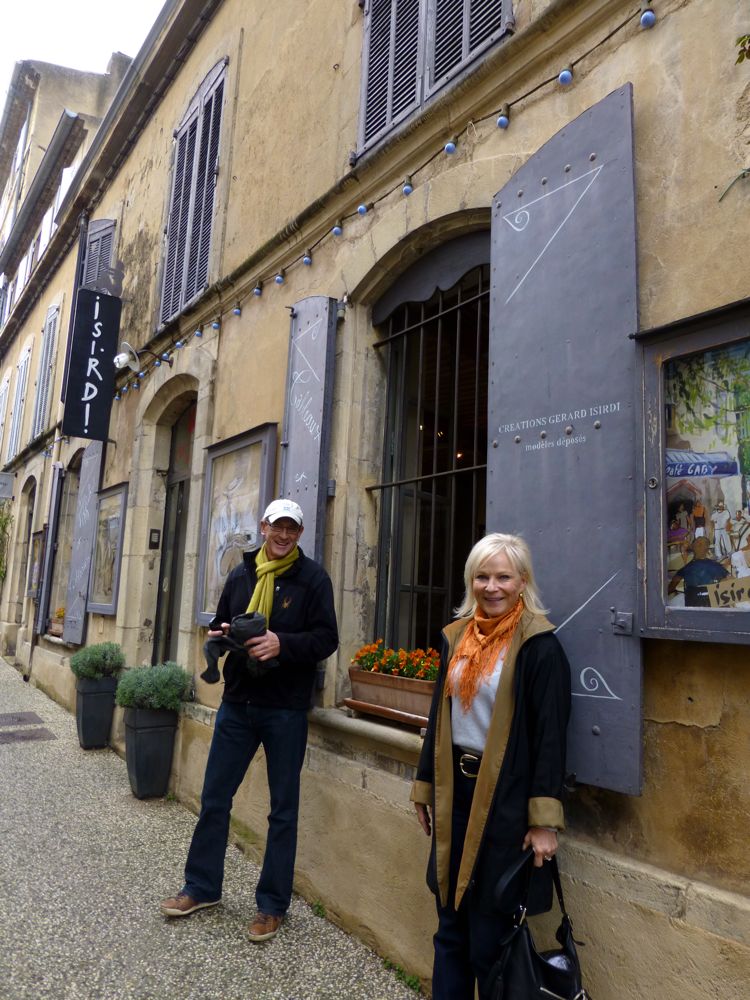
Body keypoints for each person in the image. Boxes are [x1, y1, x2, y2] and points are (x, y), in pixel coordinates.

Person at [160, 498, 338, 941]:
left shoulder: (313, 578)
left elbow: (327, 638)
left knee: (283, 810)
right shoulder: (241, 574)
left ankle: (271, 905)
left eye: (291, 530)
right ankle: (201, 887)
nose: (283, 536)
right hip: (238, 704)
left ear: (299, 533)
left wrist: (282, 644)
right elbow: (222, 621)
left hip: (285, 708)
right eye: (276, 527)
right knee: (215, 798)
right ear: (263, 527)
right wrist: (219, 635)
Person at [411, 533, 571, 1000]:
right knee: (449, 923)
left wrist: (544, 822)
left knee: (490, 932)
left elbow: (552, 738)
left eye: (503, 576)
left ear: (523, 582)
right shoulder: (457, 637)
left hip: (505, 801)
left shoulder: (539, 646)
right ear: (471, 581)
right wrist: (425, 787)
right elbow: (438, 719)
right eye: (482, 576)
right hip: (454, 796)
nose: (492, 586)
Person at [668, 536, 729, 607]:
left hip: (693, 603)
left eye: (700, 544)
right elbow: (729, 580)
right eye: (698, 543)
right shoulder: (716, 566)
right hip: (710, 604)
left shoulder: (687, 568)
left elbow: (672, 586)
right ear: (707, 549)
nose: (698, 545)